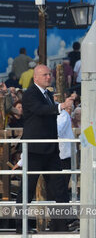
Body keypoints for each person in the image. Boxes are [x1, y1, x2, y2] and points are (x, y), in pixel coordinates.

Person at [15, 65, 75, 233]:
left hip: (51, 150)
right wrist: (60, 107)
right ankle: (21, 227)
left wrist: (59, 106)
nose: (49, 77)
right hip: (34, 150)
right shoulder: (30, 94)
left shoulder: (48, 94)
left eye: (50, 74)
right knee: (26, 190)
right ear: (35, 77)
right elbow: (39, 110)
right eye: (45, 74)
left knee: (59, 188)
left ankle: (61, 225)